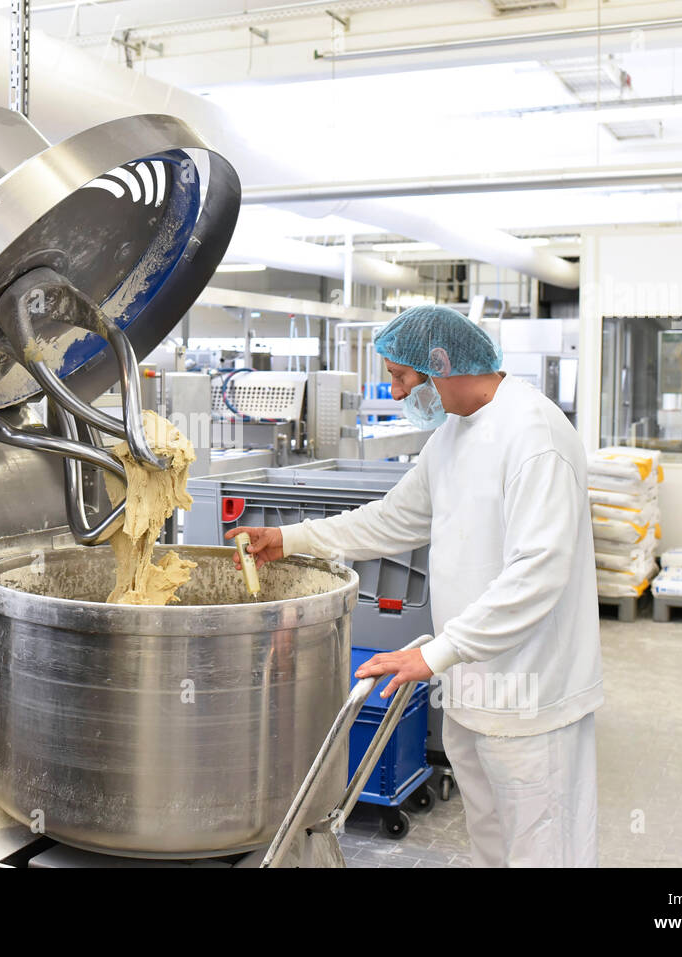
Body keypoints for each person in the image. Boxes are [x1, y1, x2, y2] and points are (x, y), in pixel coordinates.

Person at [228, 304, 603, 867]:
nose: (398, 393)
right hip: (470, 681)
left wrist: (435, 652)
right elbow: (395, 517)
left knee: (543, 848)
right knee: (493, 844)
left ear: (441, 365)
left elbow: (539, 570)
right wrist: (290, 539)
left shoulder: (534, 434)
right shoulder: (454, 433)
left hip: (533, 693)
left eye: (402, 377)